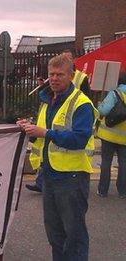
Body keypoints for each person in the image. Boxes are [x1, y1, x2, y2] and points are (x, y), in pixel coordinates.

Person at [18, 54, 97, 261]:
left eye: (59, 74)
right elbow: (43, 138)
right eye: (51, 74)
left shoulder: (81, 103)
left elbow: (79, 139)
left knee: (75, 235)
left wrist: (45, 133)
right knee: (55, 235)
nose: (54, 78)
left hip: (72, 177)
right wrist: (29, 131)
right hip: (49, 177)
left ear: (71, 76)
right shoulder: (48, 101)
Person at [96, 72, 126, 198]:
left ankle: (103, 190)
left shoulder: (115, 93)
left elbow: (103, 110)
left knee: (106, 162)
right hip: (124, 137)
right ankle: (122, 191)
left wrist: (100, 105)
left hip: (108, 135)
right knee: (124, 163)